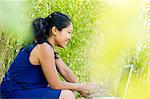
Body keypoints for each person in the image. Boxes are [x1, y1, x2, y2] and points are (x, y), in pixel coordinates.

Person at [0, 12, 95, 99]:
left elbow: (64, 70)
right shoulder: (44, 48)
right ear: (55, 30)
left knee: (68, 93)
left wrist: (84, 92)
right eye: (68, 32)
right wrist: (83, 86)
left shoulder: (47, 47)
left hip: (22, 91)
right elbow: (55, 84)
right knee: (68, 95)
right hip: (13, 93)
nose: (69, 38)